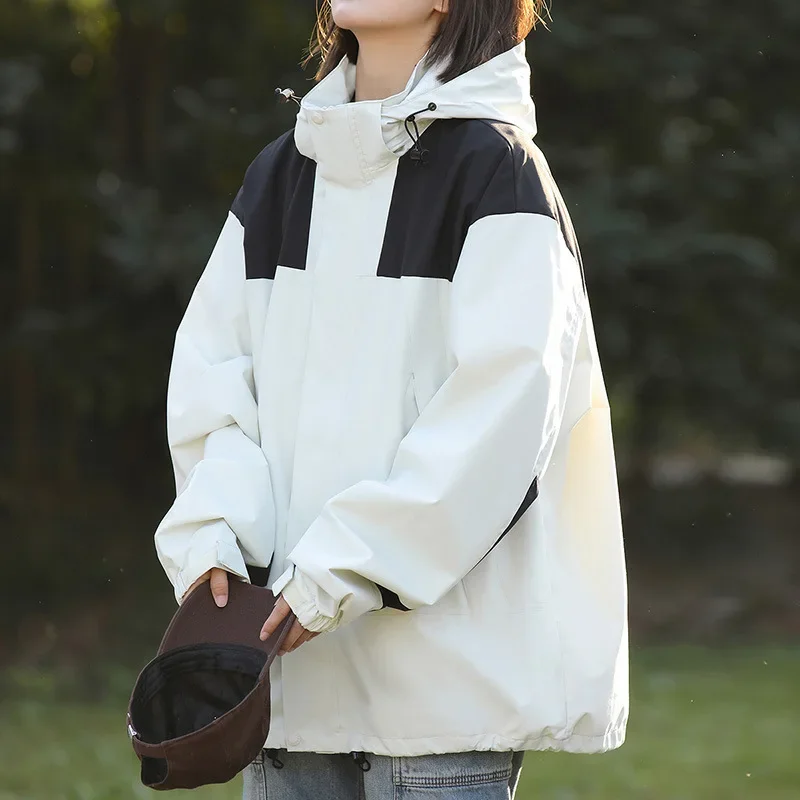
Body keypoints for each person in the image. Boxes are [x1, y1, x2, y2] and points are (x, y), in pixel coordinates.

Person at [153, 0, 629, 797]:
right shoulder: (280, 176)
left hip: (442, 704)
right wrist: (215, 542)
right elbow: (214, 380)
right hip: (285, 694)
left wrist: (341, 571)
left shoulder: (498, 173)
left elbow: (504, 415)